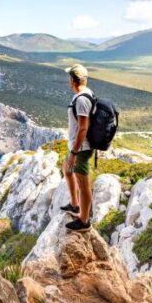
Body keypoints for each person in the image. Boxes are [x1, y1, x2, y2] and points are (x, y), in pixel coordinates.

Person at [61, 63, 94, 231]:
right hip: (74, 146)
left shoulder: (81, 100)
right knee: (66, 169)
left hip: (80, 148)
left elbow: (83, 128)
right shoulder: (84, 94)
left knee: (83, 184)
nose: (69, 81)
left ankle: (84, 221)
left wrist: (74, 152)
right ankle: (74, 204)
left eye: (70, 78)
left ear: (73, 81)